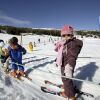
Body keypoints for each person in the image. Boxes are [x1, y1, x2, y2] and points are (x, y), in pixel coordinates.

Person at [55, 25, 83, 100]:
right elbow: (63, 53)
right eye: (64, 35)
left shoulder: (73, 44)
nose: (66, 36)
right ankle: (67, 86)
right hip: (63, 64)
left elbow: (72, 56)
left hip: (68, 65)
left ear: (72, 35)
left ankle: (70, 95)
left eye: (68, 35)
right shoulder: (65, 43)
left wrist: (69, 66)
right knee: (64, 78)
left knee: (67, 79)